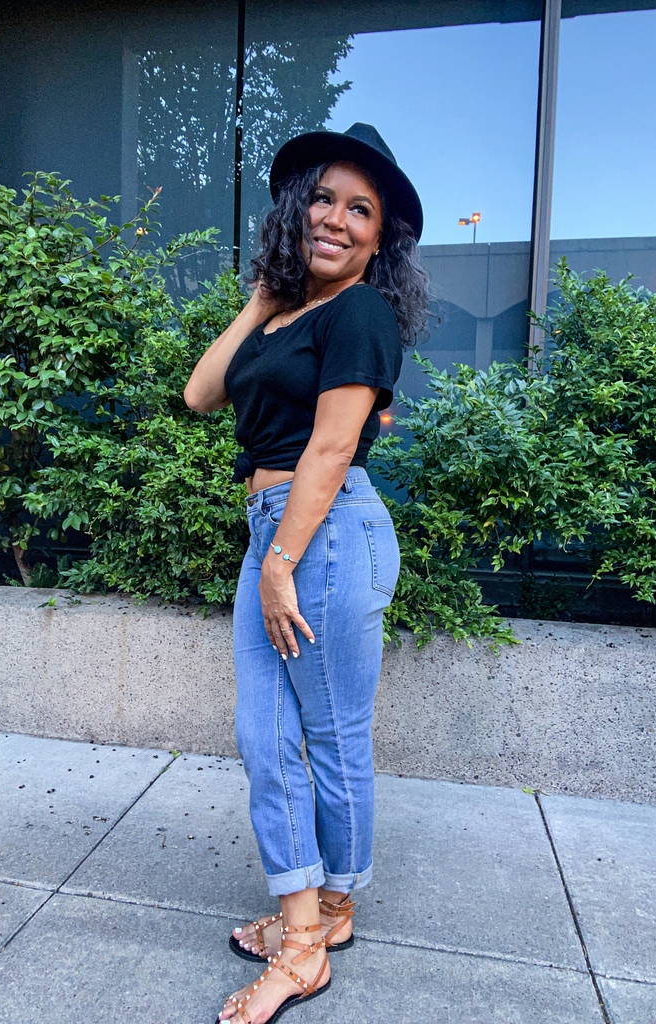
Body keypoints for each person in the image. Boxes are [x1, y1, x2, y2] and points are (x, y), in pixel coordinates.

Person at [184, 122, 428, 1024]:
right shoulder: (287, 315)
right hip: (277, 534)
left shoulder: (362, 312)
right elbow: (199, 395)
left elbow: (331, 447)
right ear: (297, 209)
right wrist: (258, 300)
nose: (335, 218)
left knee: (328, 735)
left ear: (380, 237)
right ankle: (306, 909)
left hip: (319, 534)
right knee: (262, 735)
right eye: (322, 199)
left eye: (359, 209)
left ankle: (320, 925)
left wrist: (282, 558)